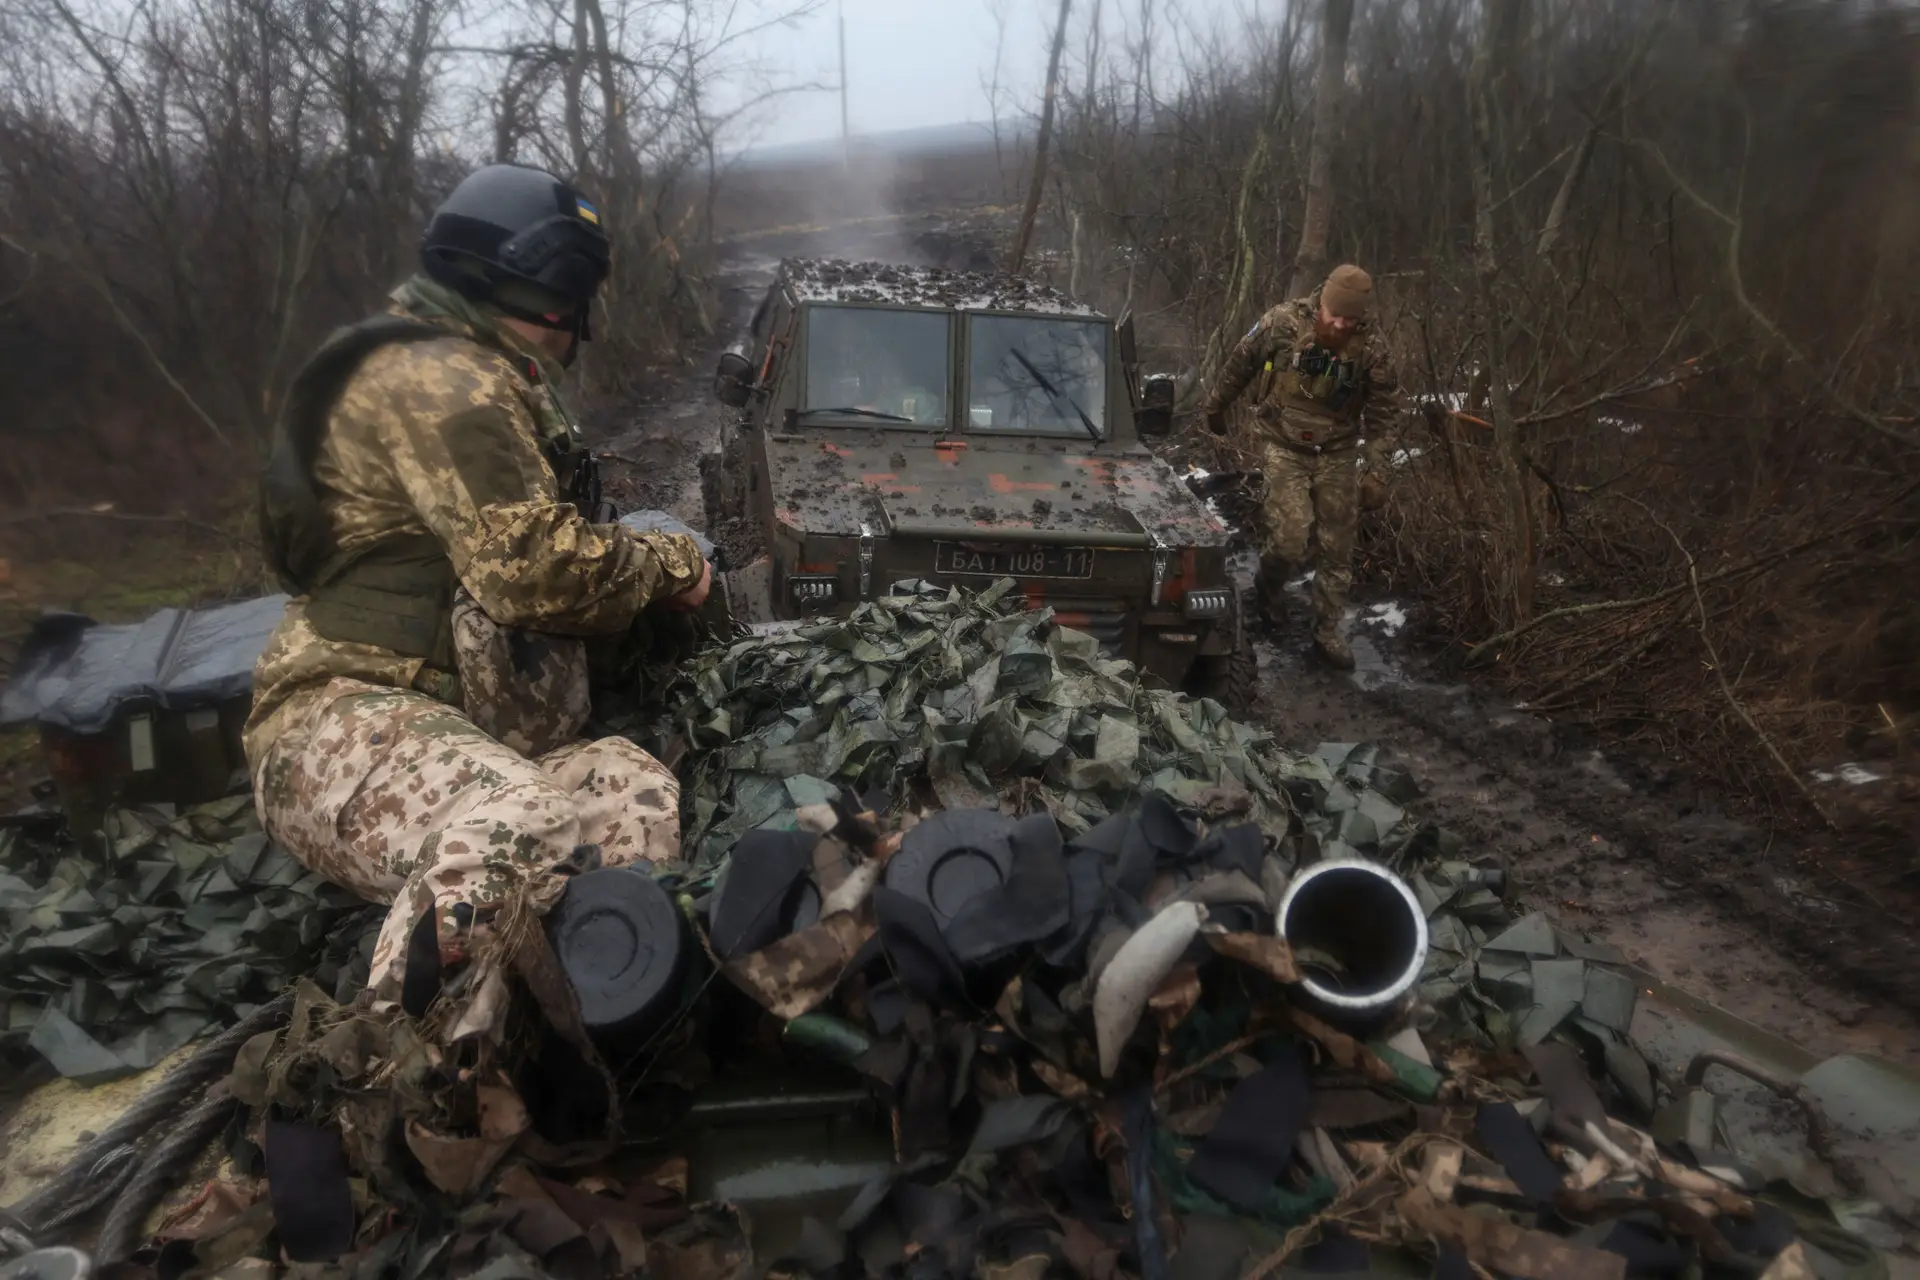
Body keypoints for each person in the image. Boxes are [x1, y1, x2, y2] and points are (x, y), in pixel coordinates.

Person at [246, 163, 711, 1016]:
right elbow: (534, 572)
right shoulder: (442, 377)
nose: (578, 326)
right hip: (340, 713)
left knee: (626, 788)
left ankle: (589, 1045)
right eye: (572, 298)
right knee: (525, 817)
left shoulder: (460, 369)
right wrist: (672, 564)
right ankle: (393, 1090)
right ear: (550, 290)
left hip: (454, 726)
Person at [1202, 264, 1400, 670]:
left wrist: (1378, 472)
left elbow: (1384, 415)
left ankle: (1327, 629)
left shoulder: (1371, 347)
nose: (1342, 324)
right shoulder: (1283, 322)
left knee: (1337, 548)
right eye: (1336, 315)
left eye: (1351, 318)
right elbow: (1241, 361)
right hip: (1283, 444)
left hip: (1338, 452)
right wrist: (1216, 406)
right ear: (1322, 303)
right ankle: (1268, 587)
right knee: (1290, 538)